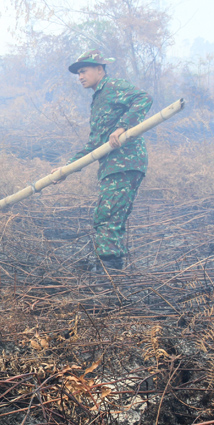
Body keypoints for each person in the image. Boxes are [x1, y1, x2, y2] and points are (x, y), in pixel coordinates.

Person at [54, 50, 153, 271]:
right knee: (109, 216)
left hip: (124, 163)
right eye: (78, 73)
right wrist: (65, 170)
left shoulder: (113, 87)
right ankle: (108, 267)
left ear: (100, 69)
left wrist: (122, 127)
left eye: (83, 71)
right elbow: (93, 146)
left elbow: (144, 98)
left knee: (108, 217)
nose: (80, 77)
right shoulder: (99, 98)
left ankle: (109, 276)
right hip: (112, 166)